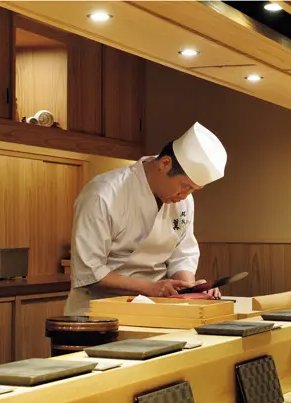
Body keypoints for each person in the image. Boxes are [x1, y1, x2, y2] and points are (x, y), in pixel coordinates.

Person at [64, 122, 227, 315]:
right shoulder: (103, 194)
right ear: (165, 164)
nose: (185, 195)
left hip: (155, 308)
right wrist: (150, 287)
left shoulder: (184, 200)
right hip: (97, 312)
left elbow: (182, 254)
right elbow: (90, 271)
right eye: (185, 186)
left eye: (193, 189)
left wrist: (190, 288)